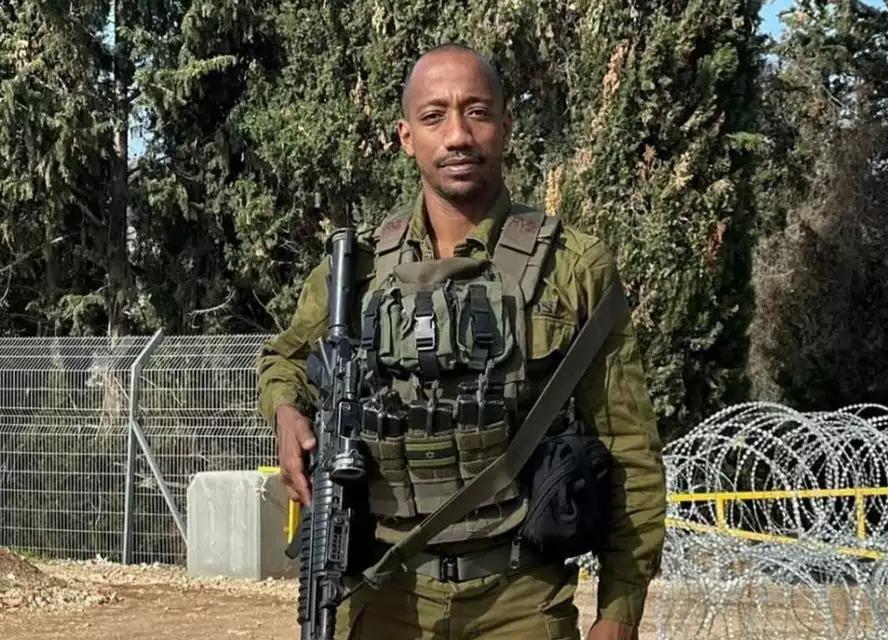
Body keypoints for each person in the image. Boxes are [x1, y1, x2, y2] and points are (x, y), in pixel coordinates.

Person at [257, 43, 666, 640]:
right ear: (406, 137)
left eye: (476, 112)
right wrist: (285, 411)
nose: (457, 136)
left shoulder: (574, 267)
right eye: (434, 116)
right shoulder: (357, 271)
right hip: (381, 594)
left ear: (505, 125)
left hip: (521, 602)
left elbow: (628, 444)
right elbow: (286, 360)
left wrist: (620, 610)